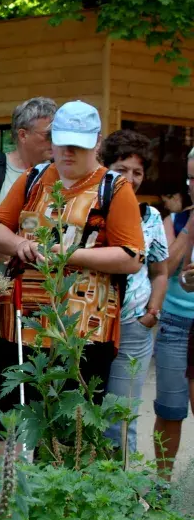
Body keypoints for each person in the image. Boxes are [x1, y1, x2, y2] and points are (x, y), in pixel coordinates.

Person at [0, 100, 144, 451]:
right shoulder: (34, 178)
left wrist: (67, 255)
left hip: (83, 331)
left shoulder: (114, 188)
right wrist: (17, 244)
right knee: (6, 425)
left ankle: (61, 501)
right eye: (61, 141)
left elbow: (131, 256)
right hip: (22, 323)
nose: (68, 151)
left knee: (72, 432)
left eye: (79, 144)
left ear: (97, 142)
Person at [0, 96, 56, 485]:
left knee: (48, 392)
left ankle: (41, 485)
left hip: (53, 295)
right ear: (22, 135)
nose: (56, 142)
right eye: (48, 134)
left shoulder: (60, 171)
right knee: (1, 395)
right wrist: (29, 247)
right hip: (2, 292)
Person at [99, 130, 170, 453]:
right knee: (80, 412)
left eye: (137, 172)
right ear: (105, 166)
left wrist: (151, 313)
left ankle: (120, 497)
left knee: (120, 418)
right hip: (90, 325)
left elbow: (159, 270)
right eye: (122, 169)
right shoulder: (93, 210)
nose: (130, 178)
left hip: (133, 328)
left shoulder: (151, 217)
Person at [152, 146, 194, 478]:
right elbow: (166, 266)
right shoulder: (175, 219)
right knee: (169, 409)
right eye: (191, 177)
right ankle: (163, 484)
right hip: (176, 324)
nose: (193, 185)